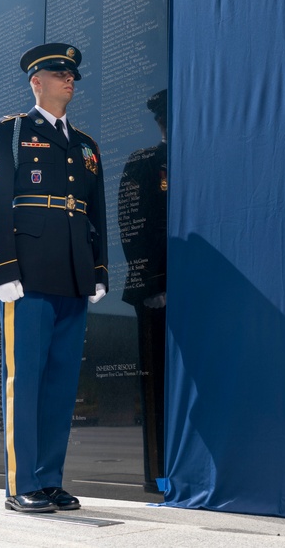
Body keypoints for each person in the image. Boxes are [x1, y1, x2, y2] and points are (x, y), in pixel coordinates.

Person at [0, 42, 108, 513]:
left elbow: (96, 213)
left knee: (60, 385)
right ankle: (21, 484)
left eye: (72, 74)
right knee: (24, 380)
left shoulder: (87, 146)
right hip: (27, 276)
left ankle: (49, 480)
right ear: (36, 81)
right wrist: (2, 270)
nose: (69, 79)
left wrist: (98, 270)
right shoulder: (12, 132)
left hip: (72, 275)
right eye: (59, 73)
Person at [118, 89, 167, 493]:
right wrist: (154, 283)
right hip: (157, 291)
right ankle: (158, 472)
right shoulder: (143, 162)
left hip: (203, 289)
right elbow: (130, 226)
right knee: (157, 387)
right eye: (163, 117)